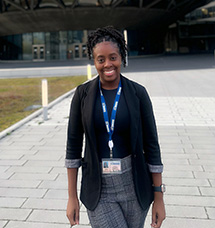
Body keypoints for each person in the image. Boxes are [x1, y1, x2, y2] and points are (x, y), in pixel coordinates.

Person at [65, 26, 165, 228]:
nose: (107, 64)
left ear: (122, 58)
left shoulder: (138, 94)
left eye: (113, 57)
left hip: (135, 185)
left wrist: (159, 197)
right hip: (98, 188)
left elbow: (152, 146)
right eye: (101, 60)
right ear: (94, 62)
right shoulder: (82, 95)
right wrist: (72, 197)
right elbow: (73, 147)